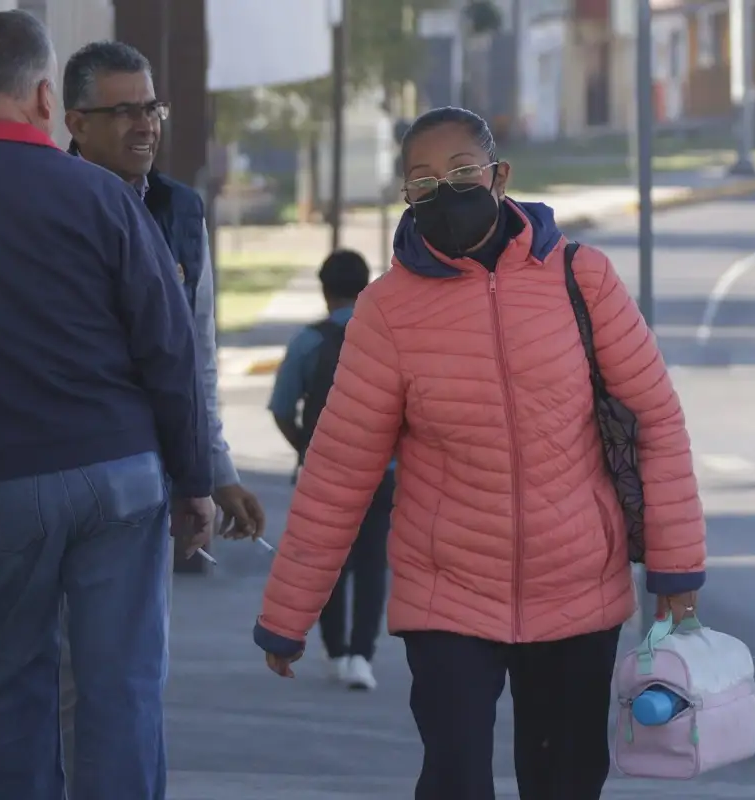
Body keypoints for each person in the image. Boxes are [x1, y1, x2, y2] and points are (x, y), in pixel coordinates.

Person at [252, 106, 707, 800]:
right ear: (406, 196)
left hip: (576, 587)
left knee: (564, 782)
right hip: (448, 595)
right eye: (423, 180)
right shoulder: (388, 311)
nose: (445, 191)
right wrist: (288, 615)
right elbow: (339, 470)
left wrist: (676, 569)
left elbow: (656, 423)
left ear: (500, 176)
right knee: (455, 780)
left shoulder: (583, 279)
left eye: (462, 171)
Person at [0, 11, 218, 800]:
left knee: (19, 673)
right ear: (44, 96)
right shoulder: (104, 198)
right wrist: (194, 478)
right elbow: (167, 347)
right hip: (120, 473)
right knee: (121, 686)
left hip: (1, 483)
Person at [57, 40, 266, 784]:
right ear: (76, 122)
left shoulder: (179, 210)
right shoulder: (49, 201)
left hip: (145, 479)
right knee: (69, 678)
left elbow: (195, 357)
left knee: (135, 677)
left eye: (151, 107)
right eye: (124, 111)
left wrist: (211, 471)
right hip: (58, 471)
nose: (144, 124)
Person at [268, 250, 394, 691]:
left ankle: (336, 650)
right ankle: (362, 655)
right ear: (366, 287)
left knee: (329, 560)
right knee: (373, 561)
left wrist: (306, 449)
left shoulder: (308, 341)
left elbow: (282, 407)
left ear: (324, 291)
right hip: (383, 469)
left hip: (326, 473)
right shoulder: (388, 339)